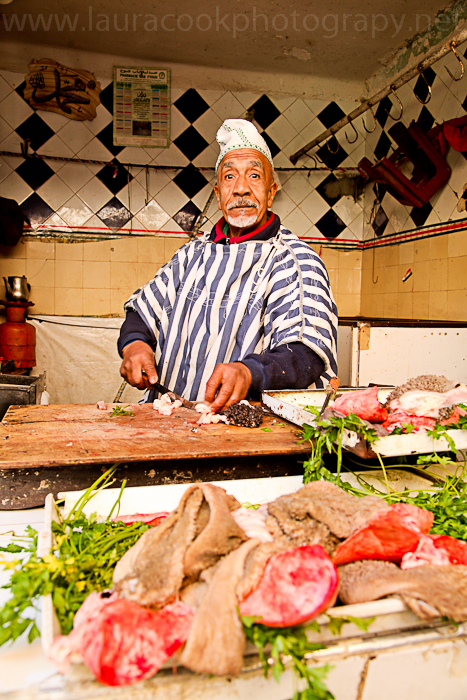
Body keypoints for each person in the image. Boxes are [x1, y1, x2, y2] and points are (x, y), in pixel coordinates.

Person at [118, 118, 338, 411]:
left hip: (246, 429)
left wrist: (249, 372)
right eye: (230, 177)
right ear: (219, 194)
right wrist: (136, 346)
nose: (241, 189)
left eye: (255, 176)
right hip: (167, 419)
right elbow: (144, 312)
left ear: (271, 193)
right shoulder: (190, 255)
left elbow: (307, 352)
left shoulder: (295, 260)